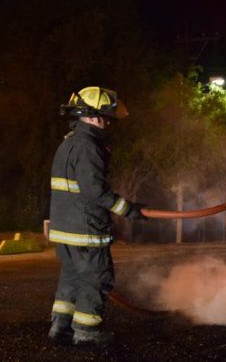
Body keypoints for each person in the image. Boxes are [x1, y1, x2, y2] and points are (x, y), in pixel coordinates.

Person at [47, 86, 146, 345]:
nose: (107, 123)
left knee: (71, 276)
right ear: (92, 116)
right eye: (105, 117)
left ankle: (60, 326)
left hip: (65, 228)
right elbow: (95, 192)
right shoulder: (89, 146)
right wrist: (129, 210)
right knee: (97, 276)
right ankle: (86, 331)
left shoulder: (68, 143)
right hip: (86, 227)